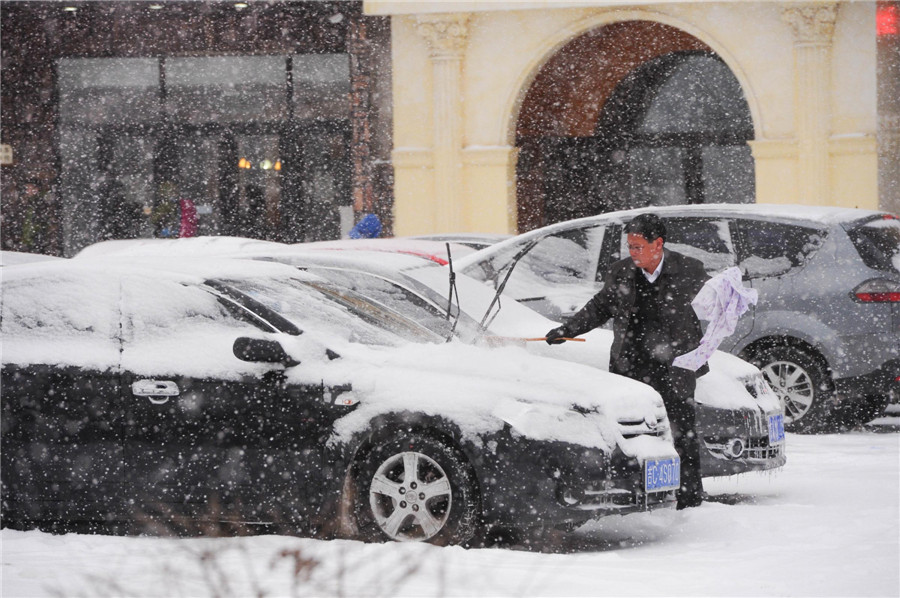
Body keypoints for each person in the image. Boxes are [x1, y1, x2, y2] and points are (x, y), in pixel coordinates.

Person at [545, 213, 708, 509]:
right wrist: (567, 330)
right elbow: (600, 306)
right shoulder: (621, 273)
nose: (632, 253)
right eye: (629, 246)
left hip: (675, 365)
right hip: (631, 366)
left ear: (657, 244)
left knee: (682, 432)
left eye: (638, 247)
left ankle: (689, 500)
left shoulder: (688, 269)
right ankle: (638, 497)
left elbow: (715, 298)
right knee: (633, 435)